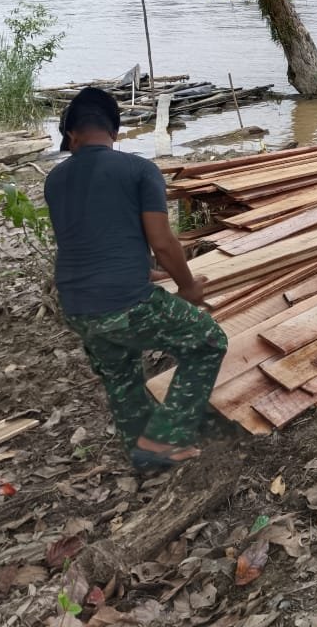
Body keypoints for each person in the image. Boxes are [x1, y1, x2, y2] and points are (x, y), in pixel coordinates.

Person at [44, 87, 227, 473]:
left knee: (120, 374)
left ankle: (145, 457)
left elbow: (87, 241)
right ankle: (165, 440)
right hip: (125, 304)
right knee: (208, 342)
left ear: (72, 135)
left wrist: (144, 272)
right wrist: (187, 286)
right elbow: (162, 241)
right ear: (115, 131)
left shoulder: (55, 179)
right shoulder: (140, 170)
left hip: (76, 307)